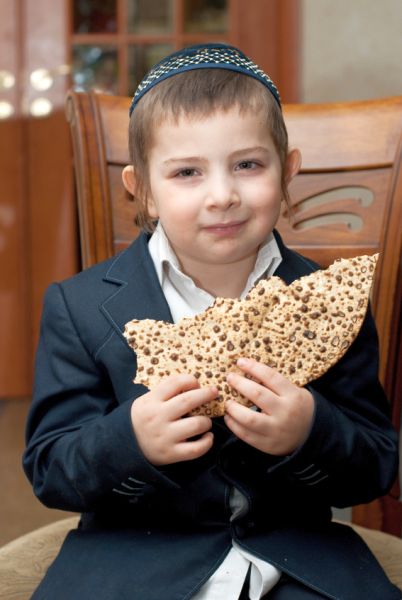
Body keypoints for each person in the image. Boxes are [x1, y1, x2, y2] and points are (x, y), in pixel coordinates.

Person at [23, 44, 400, 600]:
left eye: (248, 164)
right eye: (187, 172)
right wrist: (130, 440)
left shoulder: (327, 304)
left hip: (300, 560)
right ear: (143, 189)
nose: (222, 195)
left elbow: (377, 466)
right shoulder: (77, 308)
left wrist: (310, 430)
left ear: (287, 171)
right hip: (133, 563)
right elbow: (51, 468)